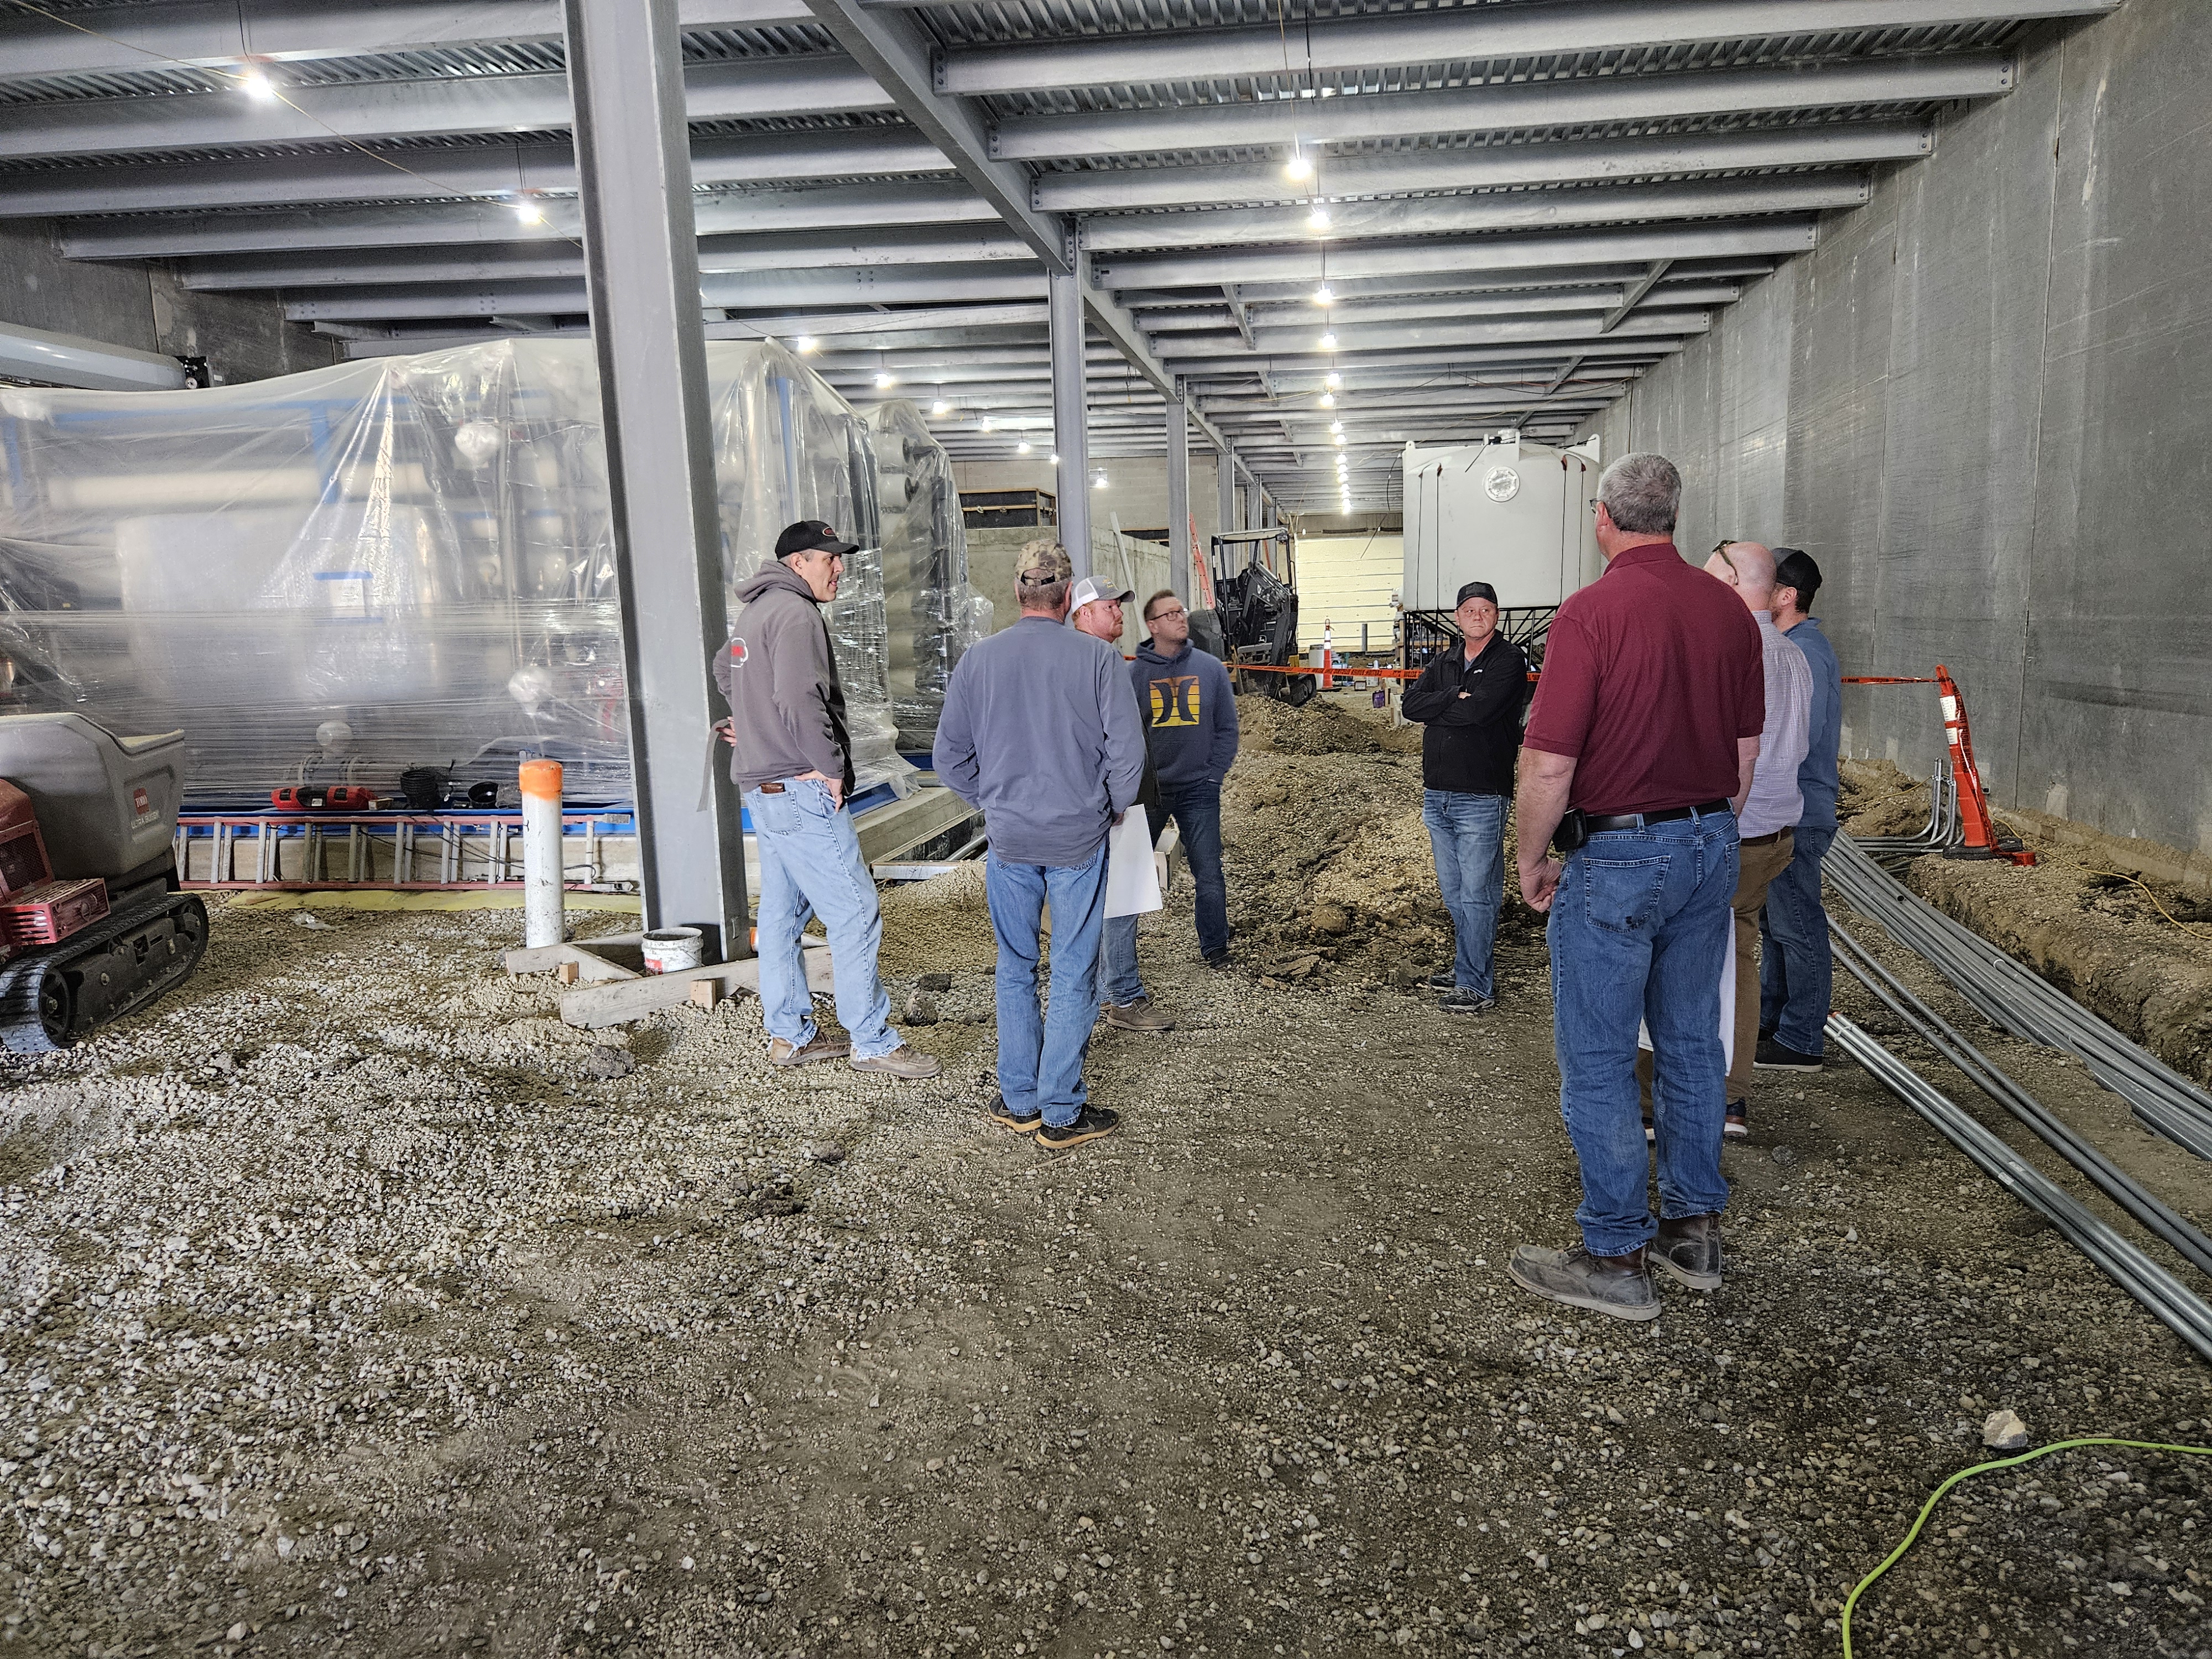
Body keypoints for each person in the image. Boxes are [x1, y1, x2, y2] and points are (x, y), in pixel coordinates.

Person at [1507, 453, 1764, 1323]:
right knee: (1692, 1039)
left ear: (1602, 517)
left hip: (1619, 853)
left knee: (1601, 1054)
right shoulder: (1727, 611)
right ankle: (1694, 1230)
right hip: (1711, 840)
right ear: (1676, 515)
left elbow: (1549, 763)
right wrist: (1700, 829)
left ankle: (1616, 1252)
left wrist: (1531, 856)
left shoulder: (1590, 614)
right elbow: (1744, 759)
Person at [934, 542, 1146, 1150]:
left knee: (1015, 968)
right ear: (1066, 592)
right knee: (1076, 968)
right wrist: (1104, 806)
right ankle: (1059, 1111)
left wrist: (994, 802)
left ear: (1018, 591)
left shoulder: (978, 661)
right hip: (1076, 837)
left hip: (1009, 840)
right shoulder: (1097, 660)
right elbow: (1126, 755)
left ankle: (1019, 1100)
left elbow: (951, 758)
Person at [714, 519, 940, 1080]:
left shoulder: (757, 610)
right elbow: (798, 695)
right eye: (829, 559)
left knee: (784, 915)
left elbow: (727, 667)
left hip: (766, 788)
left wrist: (756, 722)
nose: (839, 569)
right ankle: (871, 1039)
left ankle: (790, 1037)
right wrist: (828, 767)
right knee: (855, 911)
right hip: (799, 784)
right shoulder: (794, 612)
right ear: (798, 564)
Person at [1699, 541, 1811, 1138]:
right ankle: (1730, 1096)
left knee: (1704, 961)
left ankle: (1709, 1095)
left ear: (1738, 582)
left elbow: (1729, 751)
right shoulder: (1792, 654)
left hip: (1732, 831)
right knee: (1738, 955)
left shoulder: (1736, 650)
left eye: (1712, 575)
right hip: (1771, 831)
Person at [1399, 579, 1531, 1014]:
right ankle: (1465, 967)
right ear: (1458, 617)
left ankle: (1477, 985)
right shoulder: (1446, 662)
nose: (1478, 616)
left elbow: (1480, 712)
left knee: (1478, 893)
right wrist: (1453, 695)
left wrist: (1443, 707)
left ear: (1497, 614)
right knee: (1455, 892)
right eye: (1470, 610)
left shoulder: (1509, 660)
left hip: (1481, 794)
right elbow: (1409, 706)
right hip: (1438, 795)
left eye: (1486, 609)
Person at [1070, 577, 1173, 1035]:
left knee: (1113, 899)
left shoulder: (1094, 658)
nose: (1119, 614)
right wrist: (1120, 799)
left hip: (1115, 799)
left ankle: (1106, 995)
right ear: (1083, 614)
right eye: (1110, 607)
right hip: (1112, 804)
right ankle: (1121, 997)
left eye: (1120, 606)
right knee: (1120, 899)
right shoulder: (1092, 661)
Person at [1119, 588, 1239, 975]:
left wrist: (1213, 775)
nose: (1180, 618)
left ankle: (1215, 947)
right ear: (1152, 625)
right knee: (1130, 877)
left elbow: (1227, 729)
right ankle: (1122, 963)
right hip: (1148, 794)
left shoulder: (1210, 669)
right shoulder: (1134, 675)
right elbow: (1123, 735)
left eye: (1181, 611)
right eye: (1170, 614)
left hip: (1198, 791)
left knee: (1209, 872)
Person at [1757, 549, 1843, 1072]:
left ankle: (1803, 1038)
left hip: (1798, 810)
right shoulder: (1794, 646)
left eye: (1766, 584)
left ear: (1787, 596)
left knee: (1797, 924)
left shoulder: (1804, 653)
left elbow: (1797, 739)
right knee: (1775, 922)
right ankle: (1775, 1019)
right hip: (1791, 807)